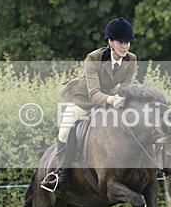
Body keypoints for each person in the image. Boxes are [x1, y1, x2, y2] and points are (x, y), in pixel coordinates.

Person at [40, 17, 138, 192]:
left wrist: (124, 98)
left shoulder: (131, 59)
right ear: (110, 42)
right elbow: (94, 93)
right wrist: (112, 99)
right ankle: (60, 174)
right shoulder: (94, 58)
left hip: (109, 99)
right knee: (65, 131)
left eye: (127, 42)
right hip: (85, 99)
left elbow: (126, 87)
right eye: (120, 42)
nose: (124, 46)